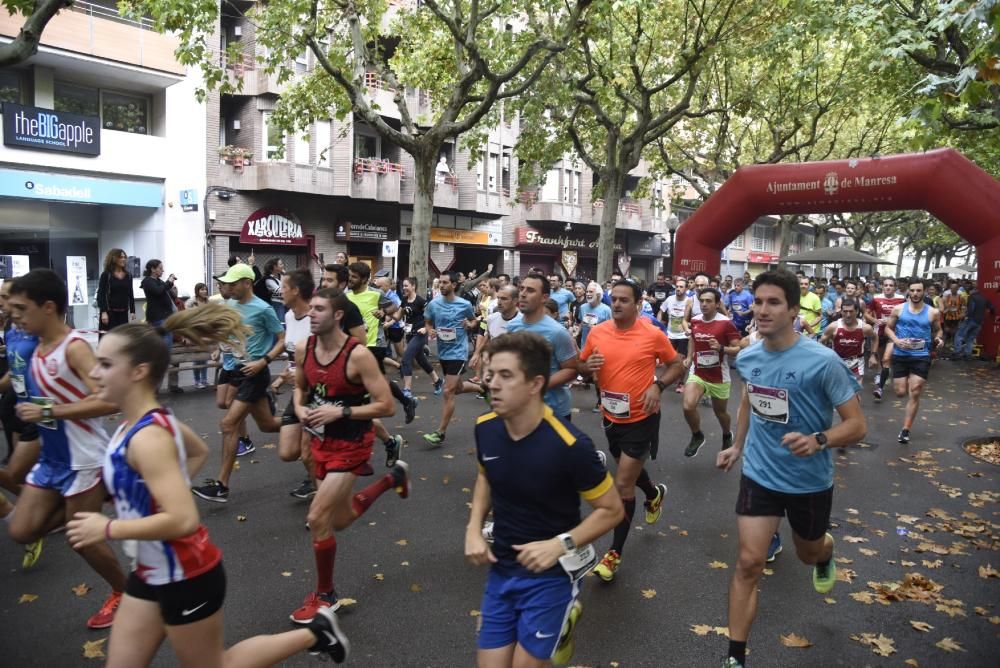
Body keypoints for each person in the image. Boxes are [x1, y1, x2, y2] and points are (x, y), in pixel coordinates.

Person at [66, 303, 350, 666]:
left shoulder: (147, 437)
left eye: (105, 364)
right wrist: (144, 495)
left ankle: (316, 632)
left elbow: (183, 520)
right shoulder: (136, 424)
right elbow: (196, 450)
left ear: (138, 371)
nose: (94, 371)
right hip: (149, 573)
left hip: (187, 576)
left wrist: (107, 526)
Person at [716, 269, 866, 668]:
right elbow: (751, 397)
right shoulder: (748, 355)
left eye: (773, 303)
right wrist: (737, 445)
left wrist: (819, 439)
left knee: (807, 551)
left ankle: (825, 551)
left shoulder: (823, 361)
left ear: (794, 310)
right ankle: (735, 658)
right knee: (749, 562)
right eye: (758, 302)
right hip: (760, 474)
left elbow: (857, 425)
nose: (762, 310)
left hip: (808, 481)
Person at [465, 331, 623, 668]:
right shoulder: (485, 428)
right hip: (502, 569)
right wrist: (473, 529)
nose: (492, 384)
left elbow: (612, 510)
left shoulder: (571, 446)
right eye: (491, 374)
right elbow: (484, 476)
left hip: (550, 576)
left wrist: (560, 544)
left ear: (535, 384)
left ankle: (564, 619)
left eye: (506, 376)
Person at [6, 269, 128, 629]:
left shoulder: (73, 347)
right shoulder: (36, 345)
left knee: (81, 540)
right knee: (22, 530)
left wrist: (49, 410)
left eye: (20, 308)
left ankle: (123, 591)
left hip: (82, 458)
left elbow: (109, 400)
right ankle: (100, 498)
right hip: (52, 457)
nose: (14, 315)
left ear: (48, 307)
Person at [289, 288, 410, 624]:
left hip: (352, 443)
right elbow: (301, 388)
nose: (310, 314)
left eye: (318, 309)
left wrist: (339, 413)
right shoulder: (304, 348)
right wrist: (300, 408)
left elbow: (385, 405)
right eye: (309, 308)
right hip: (320, 443)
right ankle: (391, 479)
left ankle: (326, 596)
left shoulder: (358, 356)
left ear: (338, 315)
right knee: (338, 520)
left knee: (316, 518)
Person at [578, 280, 685, 582]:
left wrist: (658, 385)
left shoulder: (652, 334)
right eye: (614, 299)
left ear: (638, 303)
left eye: (625, 300)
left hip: (643, 417)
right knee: (631, 472)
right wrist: (587, 368)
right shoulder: (598, 332)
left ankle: (613, 553)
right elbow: (582, 366)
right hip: (611, 416)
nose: (617, 304)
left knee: (623, 483)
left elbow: (677, 364)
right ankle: (653, 494)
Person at [192, 264, 284, 503]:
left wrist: (264, 361)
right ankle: (305, 421)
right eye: (227, 284)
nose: (228, 288)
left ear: (247, 283)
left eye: (233, 284)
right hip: (239, 370)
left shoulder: (264, 309)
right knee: (268, 425)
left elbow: (283, 340)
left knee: (228, 424)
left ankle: (222, 486)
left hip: (255, 372)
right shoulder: (230, 305)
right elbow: (229, 333)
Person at [0, 279, 44, 569]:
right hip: (16, 402)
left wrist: (56, 410)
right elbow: (15, 368)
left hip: (39, 409)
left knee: (19, 468)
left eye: (7, 297)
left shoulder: (37, 330)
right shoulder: (9, 328)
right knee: (17, 467)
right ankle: (36, 513)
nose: (3, 304)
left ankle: (38, 515)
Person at [346, 263, 417, 424]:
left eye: (354, 277)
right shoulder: (346, 296)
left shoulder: (376, 294)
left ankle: (363, 417)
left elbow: (393, 306)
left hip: (373, 343)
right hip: (353, 345)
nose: (350, 279)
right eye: (349, 276)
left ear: (364, 279)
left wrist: (383, 311)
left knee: (369, 380)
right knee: (378, 380)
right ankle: (406, 402)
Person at [274, 269, 321, 499]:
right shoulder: (289, 316)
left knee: (305, 451)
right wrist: (282, 377)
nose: (279, 291)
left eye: (283, 287)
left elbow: (328, 359)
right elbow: (294, 357)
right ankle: (325, 469)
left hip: (318, 393)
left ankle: (323, 505)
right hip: (298, 392)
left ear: (295, 291)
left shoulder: (317, 317)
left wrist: (305, 375)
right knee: (287, 451)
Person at [508, 274, 579, 422]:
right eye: (521, 289)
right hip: (520, 407)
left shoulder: (557, 332)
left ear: (544, 298)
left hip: (553, 411)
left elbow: (572, 370)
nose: (523, 294)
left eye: (530, 290)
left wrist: (539, 385)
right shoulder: (512, 326)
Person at [423, 271, 482, 446]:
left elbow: (474, 321)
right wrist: (430, 330)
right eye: (440, 282)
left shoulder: (464, 304)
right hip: (443, 351)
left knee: (448, 391)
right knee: (457, 387)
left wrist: (469, 324)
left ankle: (440, 432)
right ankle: (481, 388)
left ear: (454, 285)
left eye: (445, 283)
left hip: (458, 352)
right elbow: (427, 322)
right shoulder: (433, 305)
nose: (441, 285)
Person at [682, 288, 742, 457]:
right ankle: (697, 436)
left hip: (719, 376)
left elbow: (738, 348)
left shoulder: (726, 323)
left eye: (709, 301)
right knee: (688, 406)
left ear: (717, 304)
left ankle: (726, 434)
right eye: (701, 301)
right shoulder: (695, 320)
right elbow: (693, 339)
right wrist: (689, 357)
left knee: (720, 413)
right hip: (698, 372)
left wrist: (721, 347)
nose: (704, 304)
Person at [885, 278, 943, 444]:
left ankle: (905, 429)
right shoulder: (898, 309)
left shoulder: (933, 312)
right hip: (901, 355)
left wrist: (939, 339)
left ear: (924, 292)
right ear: (908, 292)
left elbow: (938, 331)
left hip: (921, 356)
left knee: (915, 390)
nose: (916, 294)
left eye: (919, 291)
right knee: (900, 392)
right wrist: (896, 341)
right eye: (913, 291)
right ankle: (902, 380)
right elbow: (888, 328)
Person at [140, 259, 181, 393]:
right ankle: (153, 387)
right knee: (163, 352)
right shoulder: (148, 281)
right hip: (158, 318)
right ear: (152, 269)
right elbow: (158, 292)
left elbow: (170, 295)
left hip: (167, 317)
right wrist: (168, 282)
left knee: (165, 351)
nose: (162, 270)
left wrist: (171, 284)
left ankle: (156, 387)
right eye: (160, 268)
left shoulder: (159, 281)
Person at [398, 276, 444, 397]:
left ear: (413, 286)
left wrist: (426, 328)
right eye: (403, 286)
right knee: (421, 360)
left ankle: (407, 389)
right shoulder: (404, 300)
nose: (404, 288)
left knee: (406, 358)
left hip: (420, 334)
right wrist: (387, 319)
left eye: (406, 285)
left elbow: (431, 316)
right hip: (409, 334)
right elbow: (398, 316)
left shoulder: (421, 301)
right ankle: (437, 381)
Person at [864, 277, 905, 400]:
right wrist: (875, 320)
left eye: (891, 285)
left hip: (894, 333)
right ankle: (881, 373)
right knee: (880, 357)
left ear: (895, 287)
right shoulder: (876, 298)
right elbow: (866, 313)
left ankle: (880, 386)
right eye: (886, 285)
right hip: (879, 332)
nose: (888, 287)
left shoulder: (901, 299)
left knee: (887, 358)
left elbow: (907, 314)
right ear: (882, 286)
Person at [820, 298, 877, 384]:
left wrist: (873, 355)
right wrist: (825, 357)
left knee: (856, 392)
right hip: (838, 362)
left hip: (857, 362)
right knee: (839, 392)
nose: (848, 315)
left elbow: (875, 338)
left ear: (857, 311)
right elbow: (822, 341)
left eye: (851, 311)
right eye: (845, 311)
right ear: (841, 312)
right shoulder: (834, 326)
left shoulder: (865, 327)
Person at [578, 282, 612, 413]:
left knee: (597, 376)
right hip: (585, 344)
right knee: (590, 375)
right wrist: (576, 331)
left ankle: (601, 401)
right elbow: (582, 323)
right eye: (587, 291)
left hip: (601, 346)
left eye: (591, 292)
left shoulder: (606, 310)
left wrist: (598, 329)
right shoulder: (583, 308)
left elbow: (612, 328)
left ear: (598, 295)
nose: (588, 294)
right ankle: (603, 397)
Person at [659, 278, 691, 393]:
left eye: (681, 287)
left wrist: (688, 326)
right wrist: (659, 326)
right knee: (669, 360)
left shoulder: (689, 301)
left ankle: (681, 383)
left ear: (686, 289)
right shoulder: (670, 299)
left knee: (681, 360)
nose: (678, 289)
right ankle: (671, 377)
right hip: (670, 334)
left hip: (683, 335)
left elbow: (692, 317)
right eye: (677, 286)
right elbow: (661, 311)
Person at [951, 284, 996, 360]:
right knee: (970, 338)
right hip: (979, 322)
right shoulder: (984, 298)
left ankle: (957, 353)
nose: (969, 293)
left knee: (959, 335)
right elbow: (992, 308)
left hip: (971, 320)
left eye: (969, 291)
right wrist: (991, 313)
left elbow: (971, 308)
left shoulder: (972, 297)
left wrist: (966, 317)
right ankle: (968, 354)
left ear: (972, 290)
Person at [97, 248, 135, 334]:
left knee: (122, 338)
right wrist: (103, 312)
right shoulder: (106, 275)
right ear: (113, 259)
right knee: (108, 338)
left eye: (124, 257)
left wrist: (132, 310)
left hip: (123, 313)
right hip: (109, 313)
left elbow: (130, 293)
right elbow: (101, 294)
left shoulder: (128, 275)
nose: (123, 259)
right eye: (120, 257)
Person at [184, 283, 211, 389]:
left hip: (205, 332)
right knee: (197, 358)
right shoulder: (191, 302)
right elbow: (187, 318)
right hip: (195, 332)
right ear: (197, 291)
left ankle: (204, 380)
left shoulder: (208, 302)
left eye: (205, 289)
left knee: (204, 357)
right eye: (202, 290)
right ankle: (197, 381)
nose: (204, 291)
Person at [262, 257, 287, 324]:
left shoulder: (280, 276)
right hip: (276, 304)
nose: (283, 266)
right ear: (275, 267)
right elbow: (280, 291)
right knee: (280, 324)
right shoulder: (269, 280)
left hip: (283, 303)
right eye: (280, 264)